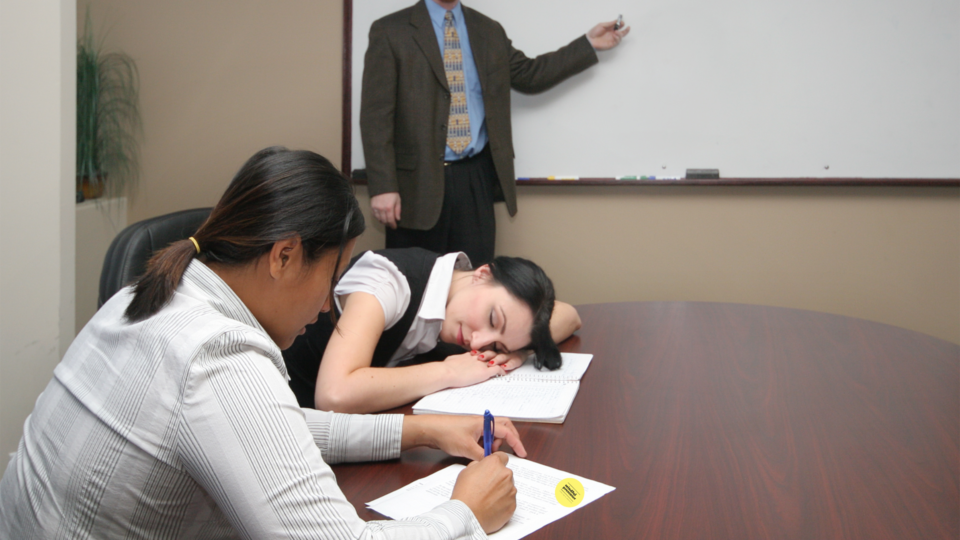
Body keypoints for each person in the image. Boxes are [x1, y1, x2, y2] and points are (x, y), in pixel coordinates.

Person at [0, 147, 526, 539]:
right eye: (330, 277)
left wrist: (420, 430)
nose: (326, 307)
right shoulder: (217, 354)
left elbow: (274, 427)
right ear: (283, 257)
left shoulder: (145, 296)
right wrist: (466, 515)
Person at [361, 0, 630, 265]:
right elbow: (376, 116)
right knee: (415, 286)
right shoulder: (390, 30)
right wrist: (383, 186)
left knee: (475, 280)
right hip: (415, 184)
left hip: (475, 177)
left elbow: (530, 75)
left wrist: (587, 43)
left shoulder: (488, 30)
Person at [283, 247, 582, 413]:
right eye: (492, 319)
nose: (478, 343)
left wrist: (518, 347)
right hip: (284, 419)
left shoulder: (459, 296)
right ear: (482, 274)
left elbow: (569, 316)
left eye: (497, 345)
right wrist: (450, 372)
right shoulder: (387, 282)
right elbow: (334, 395)